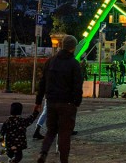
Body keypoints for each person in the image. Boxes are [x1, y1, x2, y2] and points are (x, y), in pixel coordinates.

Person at [34, 34, 84, 163]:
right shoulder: (74, 64)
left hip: (51, 101)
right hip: (67, 103)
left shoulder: (50, 61)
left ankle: (43, 152)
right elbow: (77, 85)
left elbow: (43, 82)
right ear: (73, 47)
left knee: (51, 131)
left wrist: (38, 101)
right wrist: (76, 102)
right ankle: (63, 160)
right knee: (64, 133)